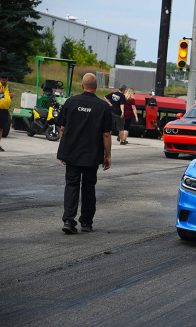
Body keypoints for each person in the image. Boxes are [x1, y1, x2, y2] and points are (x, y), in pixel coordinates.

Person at [57, 73, 112, 234]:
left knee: (71, 185)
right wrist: (107, 155)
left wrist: (64, 150)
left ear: (82, 86)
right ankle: (86, 223)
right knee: (88, 187)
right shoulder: (103, 107)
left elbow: (62, 128)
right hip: (92, 155)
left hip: (72, 152)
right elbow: (106, 134)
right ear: (96, 88)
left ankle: (68, 220)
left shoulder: (71, 102)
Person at [0, 72, 14, 152]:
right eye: (2, 79)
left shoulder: (8, 87)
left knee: (1, 129)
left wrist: (11, 96)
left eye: (5, 80)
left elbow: (9, 97)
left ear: (7, 80)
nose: (4, 81)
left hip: (5, 110)